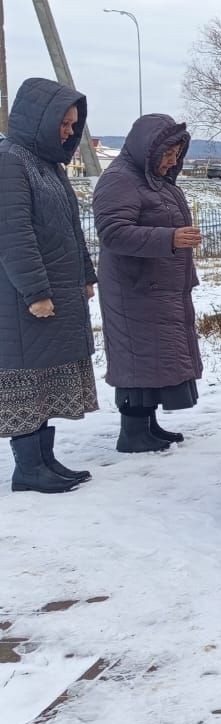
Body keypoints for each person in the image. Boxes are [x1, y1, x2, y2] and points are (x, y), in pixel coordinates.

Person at [0, 78, 98, 493]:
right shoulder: (10, 161)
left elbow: (72, 230)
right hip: (24, 297)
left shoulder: (48, 165)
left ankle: (45, 460)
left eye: (73, 124)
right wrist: (36, 292)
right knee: (26, 377)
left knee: (46, 376)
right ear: (38, 118)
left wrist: (86, 274)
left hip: (59, 290)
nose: (68, 131)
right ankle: (28, 469)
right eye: (63, 123)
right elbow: (12, 233)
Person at [92, 114, 203, 453]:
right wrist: (170, 238)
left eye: (176, 154)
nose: (172, 161)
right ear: (148, 149)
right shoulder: (120, 180)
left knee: (155, 356)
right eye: (167, 154)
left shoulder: (155, 181)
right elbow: (112, 232)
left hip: (156, 285)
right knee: (137, 357)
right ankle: (133, 432)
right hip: (133, 288)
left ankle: (148, 425)